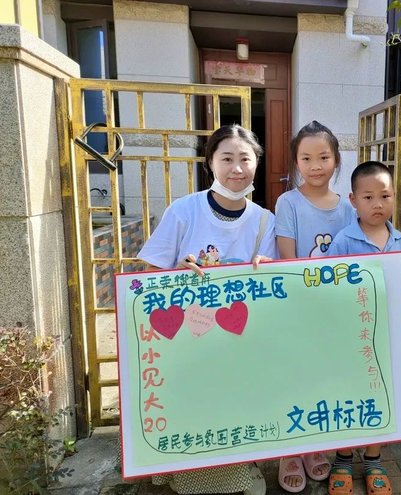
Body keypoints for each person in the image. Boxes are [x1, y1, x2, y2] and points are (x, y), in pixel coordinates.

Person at [137, 124, 275, 495]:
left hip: (237, 338)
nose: (237, 169)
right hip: (187, 336)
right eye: (226, 158)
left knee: (236, 405)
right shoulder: (184, 210)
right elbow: (148, 275)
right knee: (193, 407)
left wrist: (267, 268)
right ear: (210, 162)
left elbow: (271, 291)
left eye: (245, 159)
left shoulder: (265, 220)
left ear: (257, 163)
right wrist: (176, 272)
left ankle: (243, 473)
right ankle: (185, 477)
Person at [324, 160, 401, 495]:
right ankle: (343, 458)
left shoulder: (400, 241)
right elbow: (329, 289)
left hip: (387, 338)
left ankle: (374, 458)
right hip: (352, 337)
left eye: (385, 195)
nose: (378, 204)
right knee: (349, 394)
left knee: (382, 395)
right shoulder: (343, 241)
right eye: (368, 197)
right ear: (353, 200)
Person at [274, 121, 355, 492]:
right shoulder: (288, 202)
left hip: (335, 311)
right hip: (299, 307)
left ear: (336, 159)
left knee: (325, 378)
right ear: (296, 162)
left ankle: (315, 446)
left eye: (323, 157)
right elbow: (287, 259)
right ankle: (290, 451)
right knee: (295, 375)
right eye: (306, 158)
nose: (315, 165)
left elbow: (355, 258)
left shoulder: (349, 207)